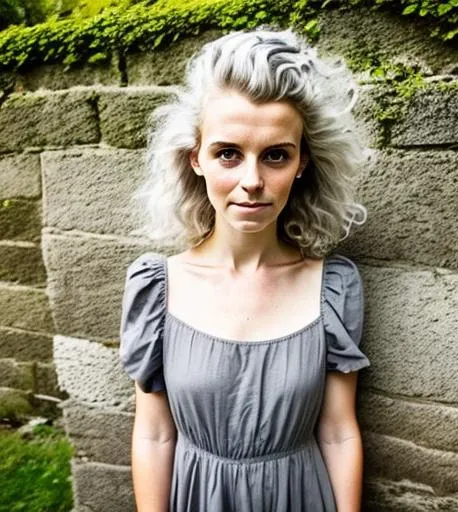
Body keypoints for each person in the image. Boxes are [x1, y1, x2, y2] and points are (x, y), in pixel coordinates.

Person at [119, 28, 371, 512]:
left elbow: (338, 433)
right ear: (196, 159)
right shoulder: (157, 288)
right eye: (228, 153)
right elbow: (153, 434)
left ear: (302, 164)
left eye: (276, 155)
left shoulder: (333, 288)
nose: (252, 181)